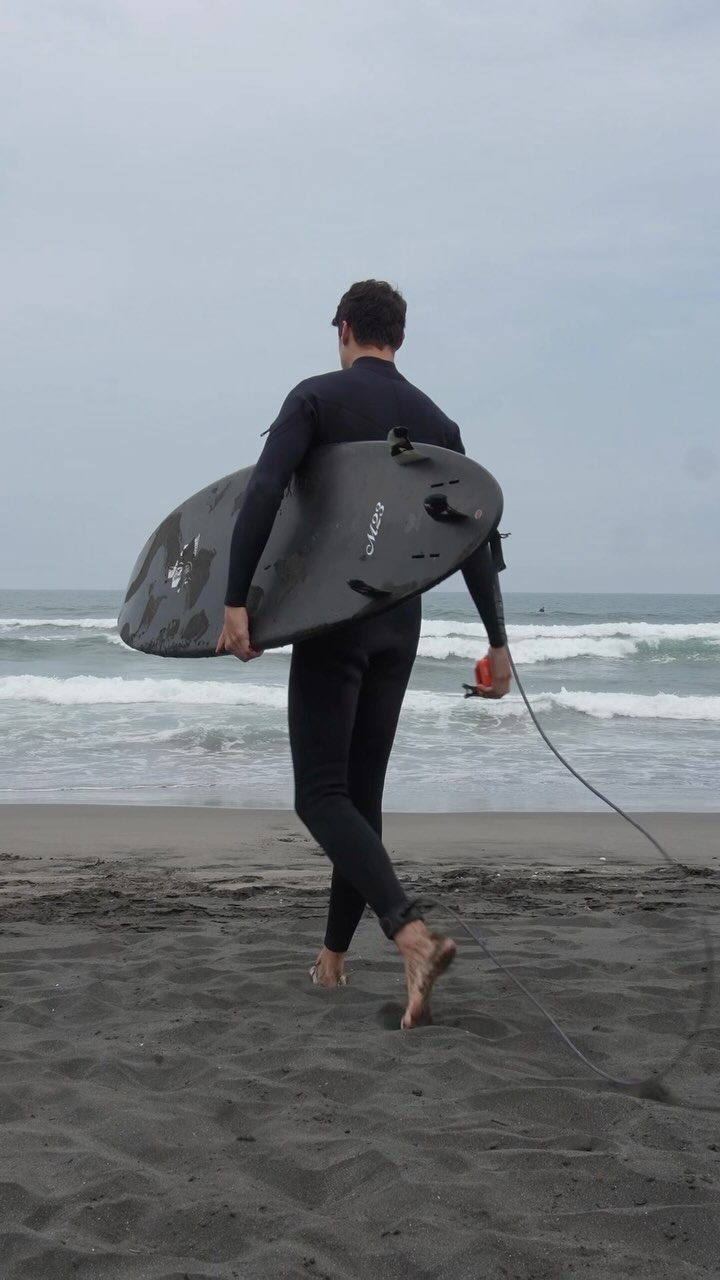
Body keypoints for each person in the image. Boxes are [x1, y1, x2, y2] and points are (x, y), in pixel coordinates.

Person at [217, 280, 511, 1028]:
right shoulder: (437, 420)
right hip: (397, 626)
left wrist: (236, 599)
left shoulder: (316, 398)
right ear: (399, 339)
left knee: (318, 794)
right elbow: (471, 537)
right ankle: (336, 957)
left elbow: (264, 490)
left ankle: (410, 934)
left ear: (343, 329)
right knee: (359, 798)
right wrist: (497, 640)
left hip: (334, 618)